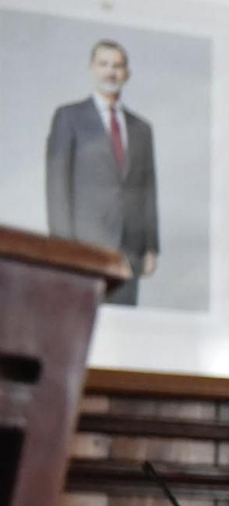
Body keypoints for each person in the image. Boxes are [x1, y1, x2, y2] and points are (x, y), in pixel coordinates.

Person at [45, 39, 158, 306]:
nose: (111, 72)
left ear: (127, 74)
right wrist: (62, 247)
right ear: (92, 69)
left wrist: (151, 246)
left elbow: (149, 189)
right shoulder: (68, 117)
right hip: (83, 248)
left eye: (117, 66)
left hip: (129, 252)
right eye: (104, 64)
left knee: (124, 329)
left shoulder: (142, 128)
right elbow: (56, 188)